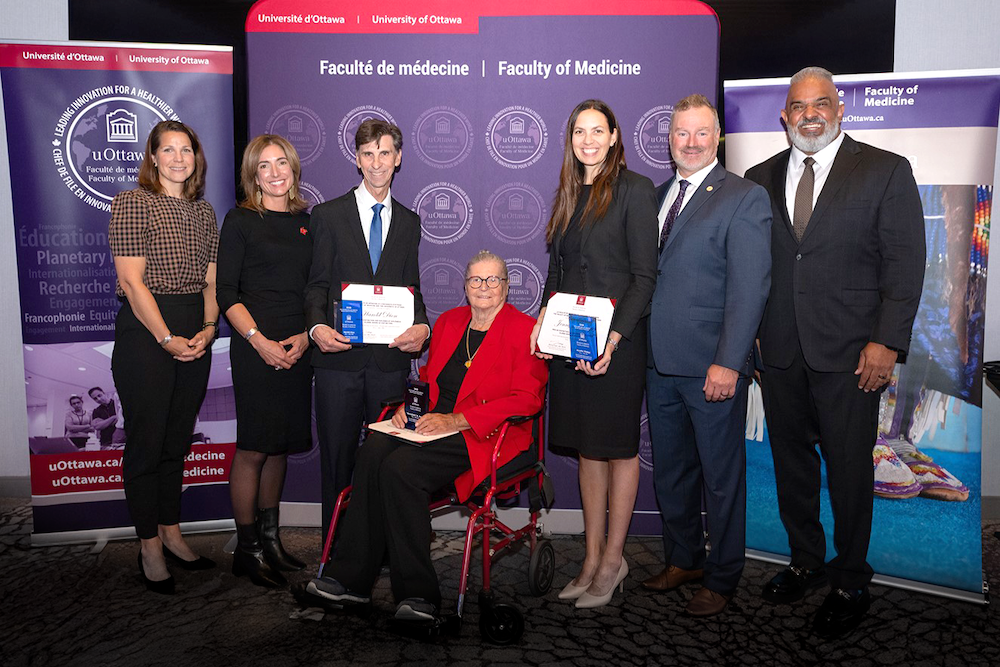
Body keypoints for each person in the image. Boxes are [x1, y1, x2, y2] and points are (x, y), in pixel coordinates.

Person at [744, 67, 925, 637]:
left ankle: (850, 578)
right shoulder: (758, 177)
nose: (810, 114)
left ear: (840, 109)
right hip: (779, 352)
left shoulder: (885, 170)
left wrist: (887, 342)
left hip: (853, 355)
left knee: (848, 471)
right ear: (784, 116)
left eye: (820, 104)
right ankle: (806, 560)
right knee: (792, 465)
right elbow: (756, 268)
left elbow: (905, 265)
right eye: (798, 107)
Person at [307, 251, 547, 620]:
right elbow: (432, 384)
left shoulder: (524, 330)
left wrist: (457, 420)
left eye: (493, 280)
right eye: (475, 280)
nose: (484, 288)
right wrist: (410, 407)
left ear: (507, 286)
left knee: (401, 469)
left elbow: (527, 400)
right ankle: (351, 581)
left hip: (485, 433)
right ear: (465, 285)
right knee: (372, 451)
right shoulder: (451, 322)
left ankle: (419, 596)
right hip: (433, 423)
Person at [642, 94, 771, 617]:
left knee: (721, 478)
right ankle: (684, 559)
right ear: (668, 138)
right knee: (671, 472)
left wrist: (729, 361)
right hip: (658, 363)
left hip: (711, 367)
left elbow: (751, 287)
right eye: (680, 133)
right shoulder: (653, 197)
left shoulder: (743, 197)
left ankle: (721, 577)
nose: (690, 143)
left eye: (700, 133)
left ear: (716, 137)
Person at [529, 99, 658, 609]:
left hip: (617, 344)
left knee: (619, 449)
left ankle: (614, 560)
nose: (588, 140)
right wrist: (544, 317)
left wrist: (614, 341)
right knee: (588, 448)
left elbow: (644, 279)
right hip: (571, 343)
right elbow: (558, 272)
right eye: (579, 131)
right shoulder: (566, 193)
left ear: (614, 136)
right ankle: (590, 556)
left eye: (596, 130)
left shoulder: (636, 190)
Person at [109, 120, 220, 595]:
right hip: (146, 333)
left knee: (177, 440)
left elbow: (212, 281)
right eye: (168, 150)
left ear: (196, 157)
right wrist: (166, 337)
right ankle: (148, 545)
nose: (178, 158)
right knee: (147, 443)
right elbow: (133, 283)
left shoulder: (204, 212)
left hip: (196, 327)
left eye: (186, 150)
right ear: (152, 157)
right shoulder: (133, 202)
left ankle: (172, 533)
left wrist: (209, 328)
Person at [304, 119, 430, 536]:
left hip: (387, 362)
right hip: (337, 362)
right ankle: (335, 554)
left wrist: (423, 327)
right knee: (338, 462)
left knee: (390, 463)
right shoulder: (327, 215)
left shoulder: (410, 222)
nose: (377, 163)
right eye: (368, 154)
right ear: (357, 160)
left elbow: (412, 289)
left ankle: (385, 548)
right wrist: (316, 328)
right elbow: (316, 285)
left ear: (398, 159)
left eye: (385, 153)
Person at [217, 134, 313, 588]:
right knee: (254, 447)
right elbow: (226, 293)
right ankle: (249, 547)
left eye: (282, 164)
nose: (275, 174)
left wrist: (303, 339)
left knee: (280, 447)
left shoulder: (306, 223)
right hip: (255, 347)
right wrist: (259, 341)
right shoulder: (239, 221)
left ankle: (272, 541)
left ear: (293, 169)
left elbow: (315, 290)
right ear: (252, 175)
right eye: (264, 167)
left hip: (296, 348)